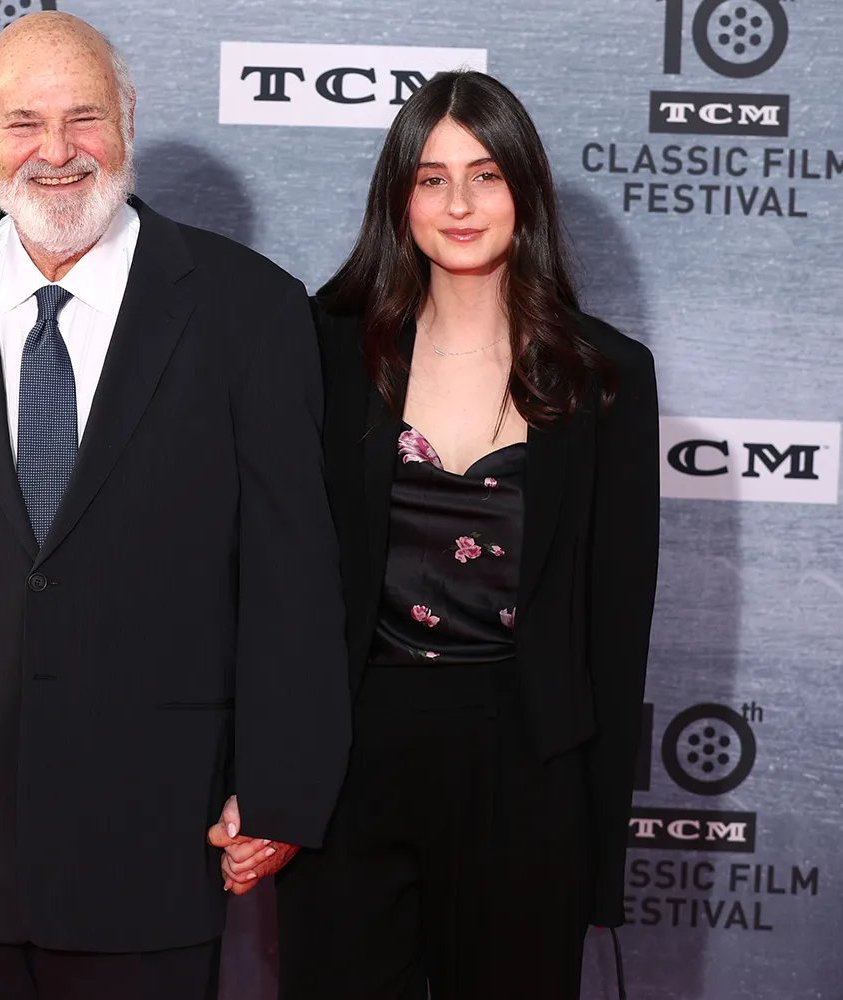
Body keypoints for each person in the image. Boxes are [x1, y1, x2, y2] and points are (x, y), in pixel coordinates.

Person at [0, 12, 350, 999]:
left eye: (84, 119)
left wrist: (281, 785)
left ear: (129, 122)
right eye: (23, 122)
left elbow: (292, 573)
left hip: (156, 831)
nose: (56, 153)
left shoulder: (252, 311)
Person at [271, 70, 659, 998]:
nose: (459, 203)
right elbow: (273, 584)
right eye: (431, 177)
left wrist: (602, 859)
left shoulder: (606, 375)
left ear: (524, 189)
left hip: (526, 771)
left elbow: (616, 627)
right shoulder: (326, 353)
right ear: (398, 197)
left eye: (485, 175)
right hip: (351, 765)